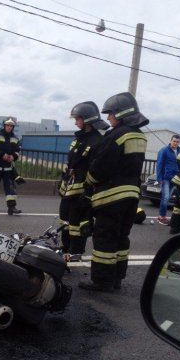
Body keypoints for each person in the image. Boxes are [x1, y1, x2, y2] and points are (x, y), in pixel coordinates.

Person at [78, 92, 148, 292]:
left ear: (120, 113)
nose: (108, 118)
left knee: (105, 238)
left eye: (110, 114)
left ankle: (101, 281)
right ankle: (117, 278)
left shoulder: (116, 135)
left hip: (112, 196)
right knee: (121, 237)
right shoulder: (140, 136)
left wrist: (89, 182)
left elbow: (101, 166)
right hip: (132, 195)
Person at [59, 101, 107, 260]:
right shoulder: (79, 139)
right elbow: (71, 161)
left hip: (82, 192)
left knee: (77, 224)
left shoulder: (98, 142)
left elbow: (97, 170)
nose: (75, 122)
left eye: (78, 119)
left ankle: (76, 252)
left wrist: (88, 195)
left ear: (87, 120)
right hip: (69, 189)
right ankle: (65, 248)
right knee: (65, 221)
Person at [156, 135, 180, 225]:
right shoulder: (163, 150)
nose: (175, 143)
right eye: (174, 141)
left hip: (175, 179)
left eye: (177, 142)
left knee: (168, 198)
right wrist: (159, 178)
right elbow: (159, 164)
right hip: (165, 178)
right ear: (170, 141)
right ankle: (162, 217)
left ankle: (161, 216)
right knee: (165, 197)